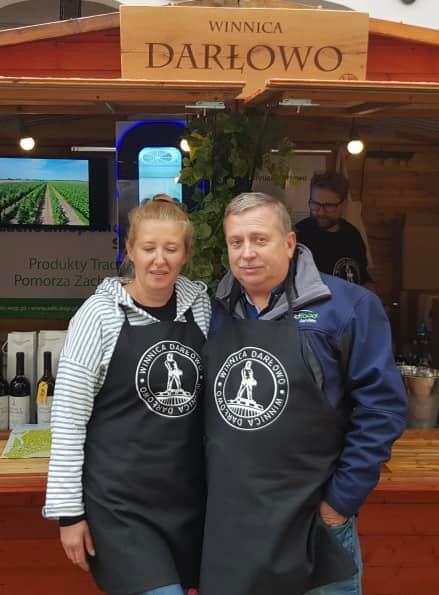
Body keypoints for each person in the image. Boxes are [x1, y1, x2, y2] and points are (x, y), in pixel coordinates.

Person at [200, 192, 407, 595]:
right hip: (233, 529)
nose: (246, 253)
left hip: (314, 525)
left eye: (260, 239)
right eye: (236, 242)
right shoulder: (214, 312)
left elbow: (382, 410)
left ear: (289, 243)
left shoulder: (347, 307)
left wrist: (340, 503)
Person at [44, 195, 211, 595]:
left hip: (189, 503)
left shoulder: (200, 308)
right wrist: (69, 514)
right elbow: (67, 418)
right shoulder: (98, 316)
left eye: (171, 248)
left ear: (186, 254)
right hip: (120, 507)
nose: (159, 260)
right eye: (149, 248)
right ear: (130, 251)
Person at [296, 171, 371, 285]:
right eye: (315, 204)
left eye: (328, 206)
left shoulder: (352, 235)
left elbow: (361, 276)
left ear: (343, 204)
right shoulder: (298, 234)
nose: (320, 212)